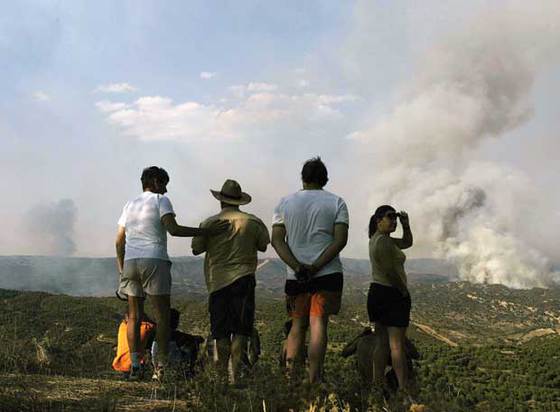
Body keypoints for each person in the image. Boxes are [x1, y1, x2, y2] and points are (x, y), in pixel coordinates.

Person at [115, 166, 228, 380]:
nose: (166, 190)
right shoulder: (160, 201)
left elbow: (119, 240)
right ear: (156, 182)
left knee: (134, 317)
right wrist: (207, 232)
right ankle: (160, 368)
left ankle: (136, 367)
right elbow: (173, 229)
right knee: (163, 316)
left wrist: (122, 270)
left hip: (130, 262)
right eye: (164, 184)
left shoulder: (130, 204)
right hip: (154, 259)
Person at [271, 157, 349, 383]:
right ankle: (314, 378)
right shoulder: (337, 203)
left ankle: (290, 378)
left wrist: (297, 267)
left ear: (303, 178)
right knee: (318, 324)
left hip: (296, 276)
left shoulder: (284, 203)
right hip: (328, 273)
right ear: (325, 179)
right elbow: (340, 240)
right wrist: (316, 266)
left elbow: (277, 241)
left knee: (297, 325)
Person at [192, 179, 270, 383]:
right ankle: (236, 377)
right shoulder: (253, 222)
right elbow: (263, 246)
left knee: (221, 332)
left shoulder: (209, 223)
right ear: (239, 201)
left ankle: (220, 379)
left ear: (220, 202)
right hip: (244, 280)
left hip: (217, 282)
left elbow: (196, 249)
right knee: (241, 330)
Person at [367, 205, 413, 395]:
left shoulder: (378, 239)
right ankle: (403, 390)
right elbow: (390, 271)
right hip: (391, 294)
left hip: (377, 293)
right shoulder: (384, 243)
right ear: (379, 221)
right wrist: (403, 291)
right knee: (397, 346)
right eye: (390, 217)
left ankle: (377, 384)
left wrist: (406, 225)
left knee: (382, 343)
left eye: (395, 218)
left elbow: (407, 242)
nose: (394, 221)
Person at [150, 308, 204, 378]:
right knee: (193, 345)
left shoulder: (157, 335)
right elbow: (199, 339)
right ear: (175, 321)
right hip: (173, 369)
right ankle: (190, 370)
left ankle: (157, 372)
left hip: (157, 367)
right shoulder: (175, 335)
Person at [112, 312, 156, 379]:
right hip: (136, 367)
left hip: (119, 366)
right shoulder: (146, 327)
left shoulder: (122, 326)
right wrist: (146, 318)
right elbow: (159, 327)